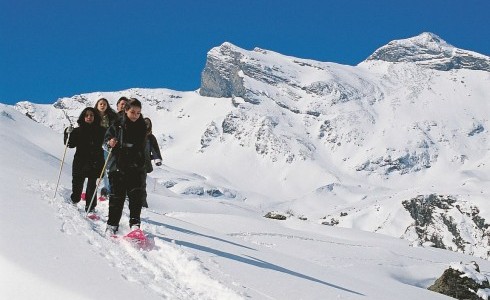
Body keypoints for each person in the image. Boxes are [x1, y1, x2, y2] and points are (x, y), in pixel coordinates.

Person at [104, 98, 147, 235]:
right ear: (126, 110)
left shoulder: (142, 126)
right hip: (118, 164)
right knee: (117, 197)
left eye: (138, 113)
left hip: (135, 165)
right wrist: (110, 142)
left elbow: (142, 146)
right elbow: (105, 141)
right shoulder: (117, 124)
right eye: (132, 112)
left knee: (136, 195)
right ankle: (112, 225)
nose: (135, 115)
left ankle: (135, 225)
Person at [64, 107, 106, 213]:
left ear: (95, 117)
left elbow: (107, 143)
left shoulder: (101, 130)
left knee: (92, 186)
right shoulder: (77, 131)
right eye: (86, 115)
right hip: (80, 161)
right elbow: (70, 144)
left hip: (96, 161)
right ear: (83, 117)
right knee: (77, 184)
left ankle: (90, 208)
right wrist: (67, 133)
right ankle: (74, 200)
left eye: (91, 115)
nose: (89, 117)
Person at [94, 98, 118, 198]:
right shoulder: (92, 115)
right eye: (101, 104)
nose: (103, 106)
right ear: (97, 105)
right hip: (95, 144)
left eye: (105, 104)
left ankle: (106, 189)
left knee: (106, 166)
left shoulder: (112, 117)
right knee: (96, 166)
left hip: (106, 144)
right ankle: (93, 189)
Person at [142, 117, 163, 208]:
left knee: (142, 185)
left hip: (143, 164)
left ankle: (143, 205)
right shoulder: (134, 133)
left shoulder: (150, 137)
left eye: (148, 124)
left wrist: (156, 158)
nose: (146, 125)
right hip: (132, 163)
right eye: (144, 123)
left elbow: (154, 149)